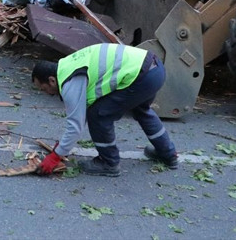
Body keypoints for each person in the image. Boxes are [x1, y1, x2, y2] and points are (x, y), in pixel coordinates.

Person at [32, 43, 178, 177]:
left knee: (98, 115)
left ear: (52, 80)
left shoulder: (70, 82)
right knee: (142, 110)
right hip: (154, 68)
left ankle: (109, 163)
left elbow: (76, 125)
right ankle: (168, 154)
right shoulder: (67, 64)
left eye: (44, 89)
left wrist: (55, 156)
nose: (47, 94)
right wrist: (62, 147)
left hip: (141, 75)